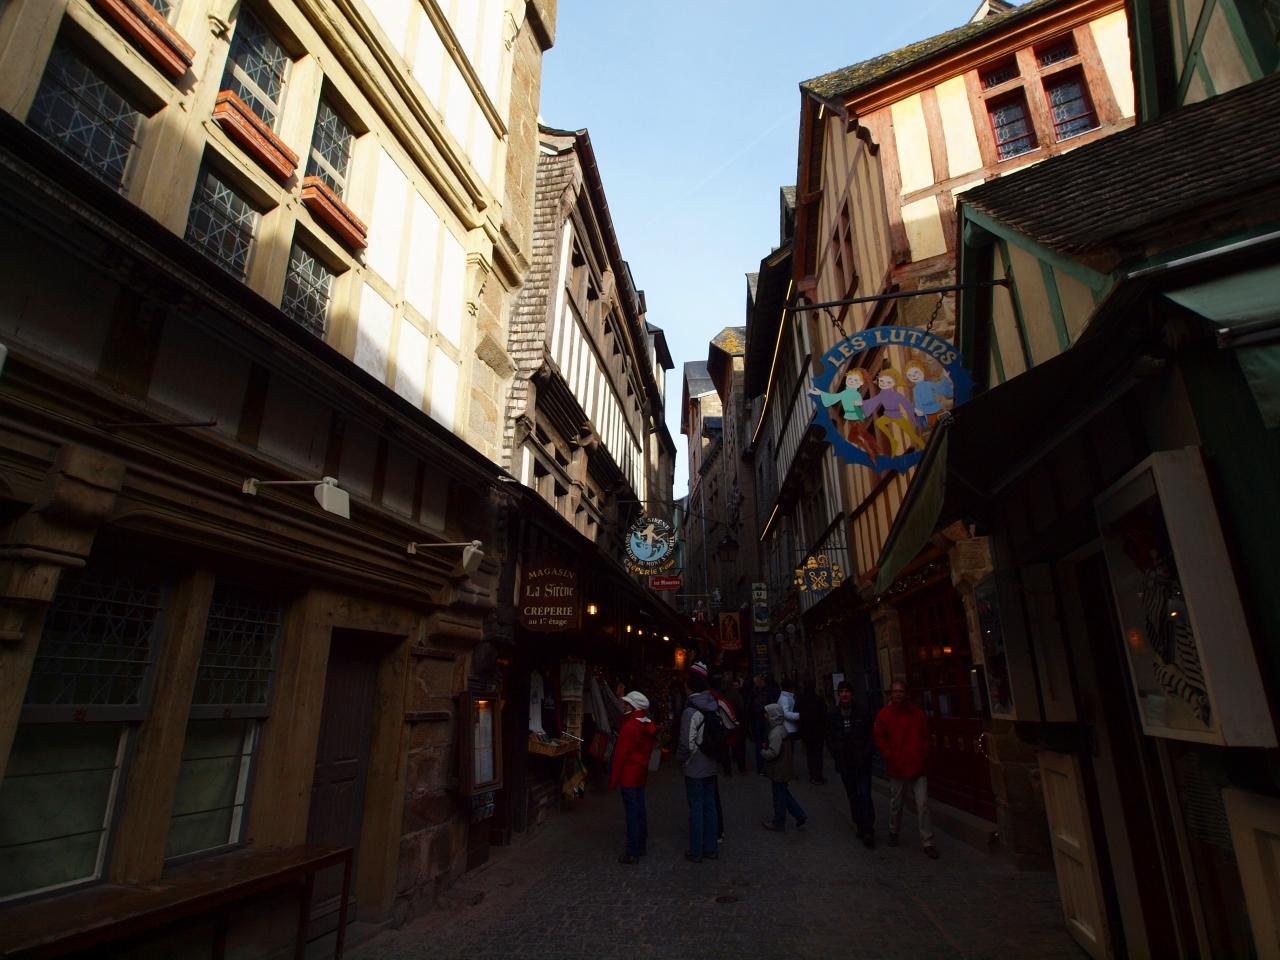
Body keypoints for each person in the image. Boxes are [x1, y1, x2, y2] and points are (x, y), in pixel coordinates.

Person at [873, 680, 937, 858]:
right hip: (897, 765)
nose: (898, 694)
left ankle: (928, 841)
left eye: (901, 691)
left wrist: (923, 754)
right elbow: (879, 737)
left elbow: (925, 736)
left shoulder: (916, 714)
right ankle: (894, 831)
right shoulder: (885, 715)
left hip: (917, 765)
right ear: (891, 694)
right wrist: (888, 753)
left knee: (922, 804)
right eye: (895, 691)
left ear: (906, 693)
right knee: (896, 803)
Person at [677, 669, 729, 862]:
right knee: (710, 806)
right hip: (711, 762)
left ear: (690, 689)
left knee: (696, 808)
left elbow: (686, 744)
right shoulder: (712, 706)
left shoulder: (690, 711)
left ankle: (696, 850)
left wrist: (680, 760)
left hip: (695, 765)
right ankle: (711, 847)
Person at [608, 691, 656, 864]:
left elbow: (620, 755)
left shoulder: (630, 727)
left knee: (632, 814)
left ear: (633, 707)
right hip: (640, 773)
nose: (624, 706)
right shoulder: (646, 724)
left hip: (628, 775)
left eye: (627, 704)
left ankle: (633, 851)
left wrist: (613, 779)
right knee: (639, 811)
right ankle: (640, 846)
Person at [828, 679, 876, 847]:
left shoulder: (862, 711)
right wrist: (837, 755)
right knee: (853, 795)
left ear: (852, 694)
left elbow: (871, 735)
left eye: (847, 691)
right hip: (845, 762)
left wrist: (866, 753)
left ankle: (868, 828)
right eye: (841, 692)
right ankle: (860, 825)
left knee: (865, 794)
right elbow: (830, 738)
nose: (844, 694)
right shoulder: (834, 714)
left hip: (861, 761)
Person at [760, 703, 807, 831]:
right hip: (783, 767)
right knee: (783, 793)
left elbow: (773, 752)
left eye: (767, 714)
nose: (765, 716)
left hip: (778, 769)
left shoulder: (775, 732)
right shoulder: (781, 729)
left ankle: (778, 821)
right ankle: (799, 814)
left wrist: (763, 752)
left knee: (779, 796)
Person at [797, 682, 828, 785]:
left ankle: (812, 775)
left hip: (806, 731)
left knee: (810, 753)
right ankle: (818, 776)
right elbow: (824, 715)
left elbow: (797, 714)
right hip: (818, 731)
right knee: (818, 754)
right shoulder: (819, 699)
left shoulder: (801, 700)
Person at [723, 675, 749, 775]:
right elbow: (742, 709)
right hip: (737, 723)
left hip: (726, 724)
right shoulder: (736, 695)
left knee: (726, 747)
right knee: (740, 746)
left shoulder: (723, 694)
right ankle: (741, 768)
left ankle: (727, 770)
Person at [777, 675, 800, 740]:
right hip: (789, 729)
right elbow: (785, 713)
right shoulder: (785, 698)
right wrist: (799, 715)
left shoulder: (787, 697)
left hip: (790, 728)